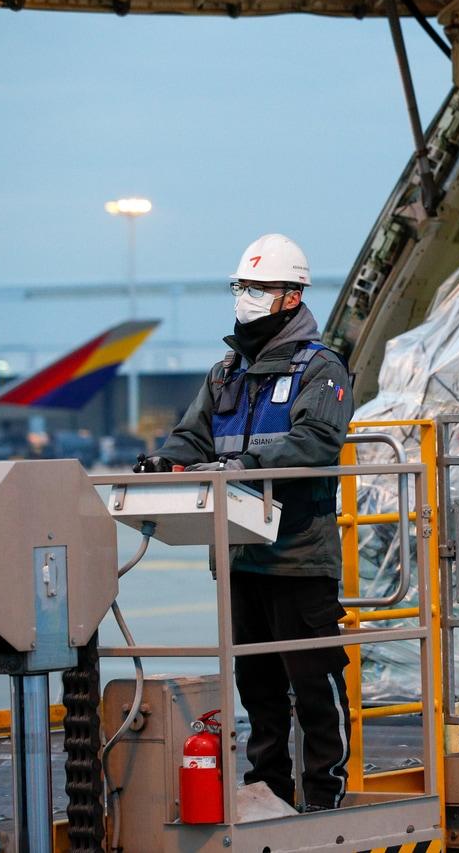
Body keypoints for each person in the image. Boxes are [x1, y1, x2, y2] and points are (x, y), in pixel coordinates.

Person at [137, 233, 355, 811]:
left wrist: (241, 465)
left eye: (259, 289)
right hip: (238, 556)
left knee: (313, 682)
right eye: (243, 287)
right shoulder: (225, 373)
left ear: (291, 296)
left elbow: (316, 442)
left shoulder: (322, 368)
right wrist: (169, 459)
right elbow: (193, 434)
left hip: (297, 555)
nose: (247, 298)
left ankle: (325, 792)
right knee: (256, 688)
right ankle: (269, 790)